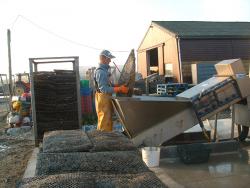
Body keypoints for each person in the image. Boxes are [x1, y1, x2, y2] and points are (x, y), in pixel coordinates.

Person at [94, 50, 128, 131]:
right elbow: (104, 89)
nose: (110, 60)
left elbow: (107, 85)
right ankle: (104, 141)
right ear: (103, 58)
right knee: (104, 122)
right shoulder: (101, 72)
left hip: (104, 99)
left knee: (106, 121)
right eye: (109, 58)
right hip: (103, 99)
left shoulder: (104, 71)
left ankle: (103, 138)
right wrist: (119, 89)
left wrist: (117, 86)